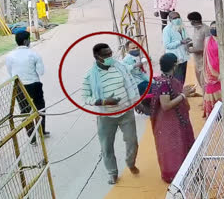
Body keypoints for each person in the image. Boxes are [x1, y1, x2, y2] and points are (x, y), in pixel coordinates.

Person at [81, 43, 140, 185]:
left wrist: (137, 102)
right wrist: (103, 101)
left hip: (126, 112)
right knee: (106, 146)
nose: (109, 57)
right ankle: (112, 173)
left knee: (132, 141)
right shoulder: (90, 75)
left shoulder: (120, 67)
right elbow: (85, 97)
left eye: (110, 53)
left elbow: (130, 84)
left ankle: (130, 163)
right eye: (106, 55)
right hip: (106, 117)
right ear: (97, 57)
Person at [150, 53, 195, 183]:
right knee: (172, 148)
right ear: (174, 66)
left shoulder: (166, 80)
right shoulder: (164, 83)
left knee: (178, 146)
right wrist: (183, 95)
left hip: (175, 120)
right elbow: (165, 105)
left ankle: (182, 173)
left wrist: (184, 93)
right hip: (169, 122)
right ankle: (174, 176)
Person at [6, 31, 50, 143]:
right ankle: (42, 131)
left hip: (19, 86)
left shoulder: (10, 56)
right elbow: (41, 72)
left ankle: (31, 137)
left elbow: (10, 73)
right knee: (40, 107)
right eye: (29, 39)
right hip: (34, 84)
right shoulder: (34, 54)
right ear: (26, 41)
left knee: (25, 111)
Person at [163, 12, 191, 86]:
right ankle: (178, 93)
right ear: (170, 20)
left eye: (178, 17)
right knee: (177, 77)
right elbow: (167, 45)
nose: (177, 19)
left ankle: (181, 92)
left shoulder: (182, 26)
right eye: (175, 18)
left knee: (183, 76)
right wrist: (180, 42)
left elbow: (185, 37)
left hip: (184, 56)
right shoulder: (167, 30)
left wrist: (188, 41)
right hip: (175, 57)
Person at [187, 12, 210, 93]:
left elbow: (208, 47)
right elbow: (197, 41)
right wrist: (190, 43)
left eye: (191, 21)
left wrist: (192, 50)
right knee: (200, 81)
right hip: (196, 60)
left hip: (204, 60)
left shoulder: (206, 29)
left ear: (194, 21)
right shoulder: (195, 28)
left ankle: (207, 99)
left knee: (204, 82)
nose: (191, 23)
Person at [202, 21, 221, 117]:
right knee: (210, 88)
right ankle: (212, 113)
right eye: (212, 27)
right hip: (210, 70)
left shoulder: (223, 41)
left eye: (216, 27)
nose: (213, 29)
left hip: (220, 69)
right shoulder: (207, 40)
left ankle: (221, 112)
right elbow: (205, 55)